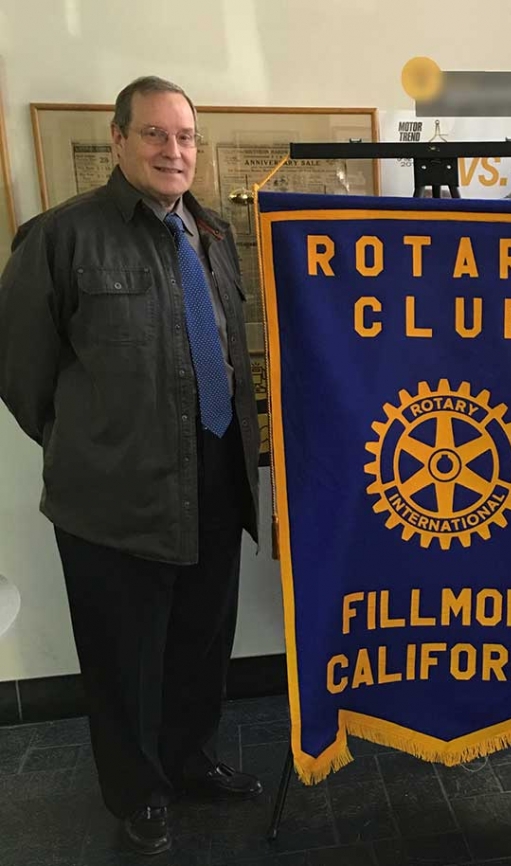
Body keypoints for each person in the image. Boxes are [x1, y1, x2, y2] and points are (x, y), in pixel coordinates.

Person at [0, 76, 262, 855]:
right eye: (154, 134)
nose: (172, 150)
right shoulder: (59, 237)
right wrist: (94, 447)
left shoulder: (211, 234)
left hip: (215, 479)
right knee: (124, 661)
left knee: (200, 642)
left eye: (184, 137)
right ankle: (139, 792)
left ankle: (190, 760)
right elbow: (21, 375)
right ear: (117, 141)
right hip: (113, 498)